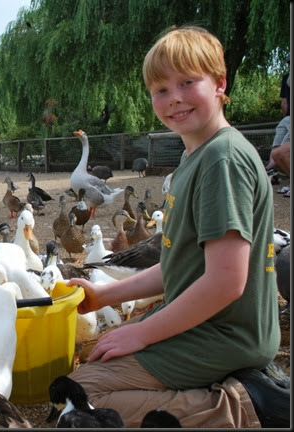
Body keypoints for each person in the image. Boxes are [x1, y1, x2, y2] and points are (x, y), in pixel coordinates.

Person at [66, 26, 288, 428]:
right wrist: (103, 295)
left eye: (188, 82)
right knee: (87, 371)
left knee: (82, 400)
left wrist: (143, 332)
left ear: (220, 83)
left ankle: (246, 404)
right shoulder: (196, 157)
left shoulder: (222, 160)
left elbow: (225, 283)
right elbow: (180, 267)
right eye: (161, 89)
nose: (175, 99)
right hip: (208, 326)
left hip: (227, 336)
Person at [266, 53, 290, 171]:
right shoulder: (287, 78)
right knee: (277, 150)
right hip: (288, 118)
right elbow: (284, 102)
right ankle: (269, 167)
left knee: (282, 151)